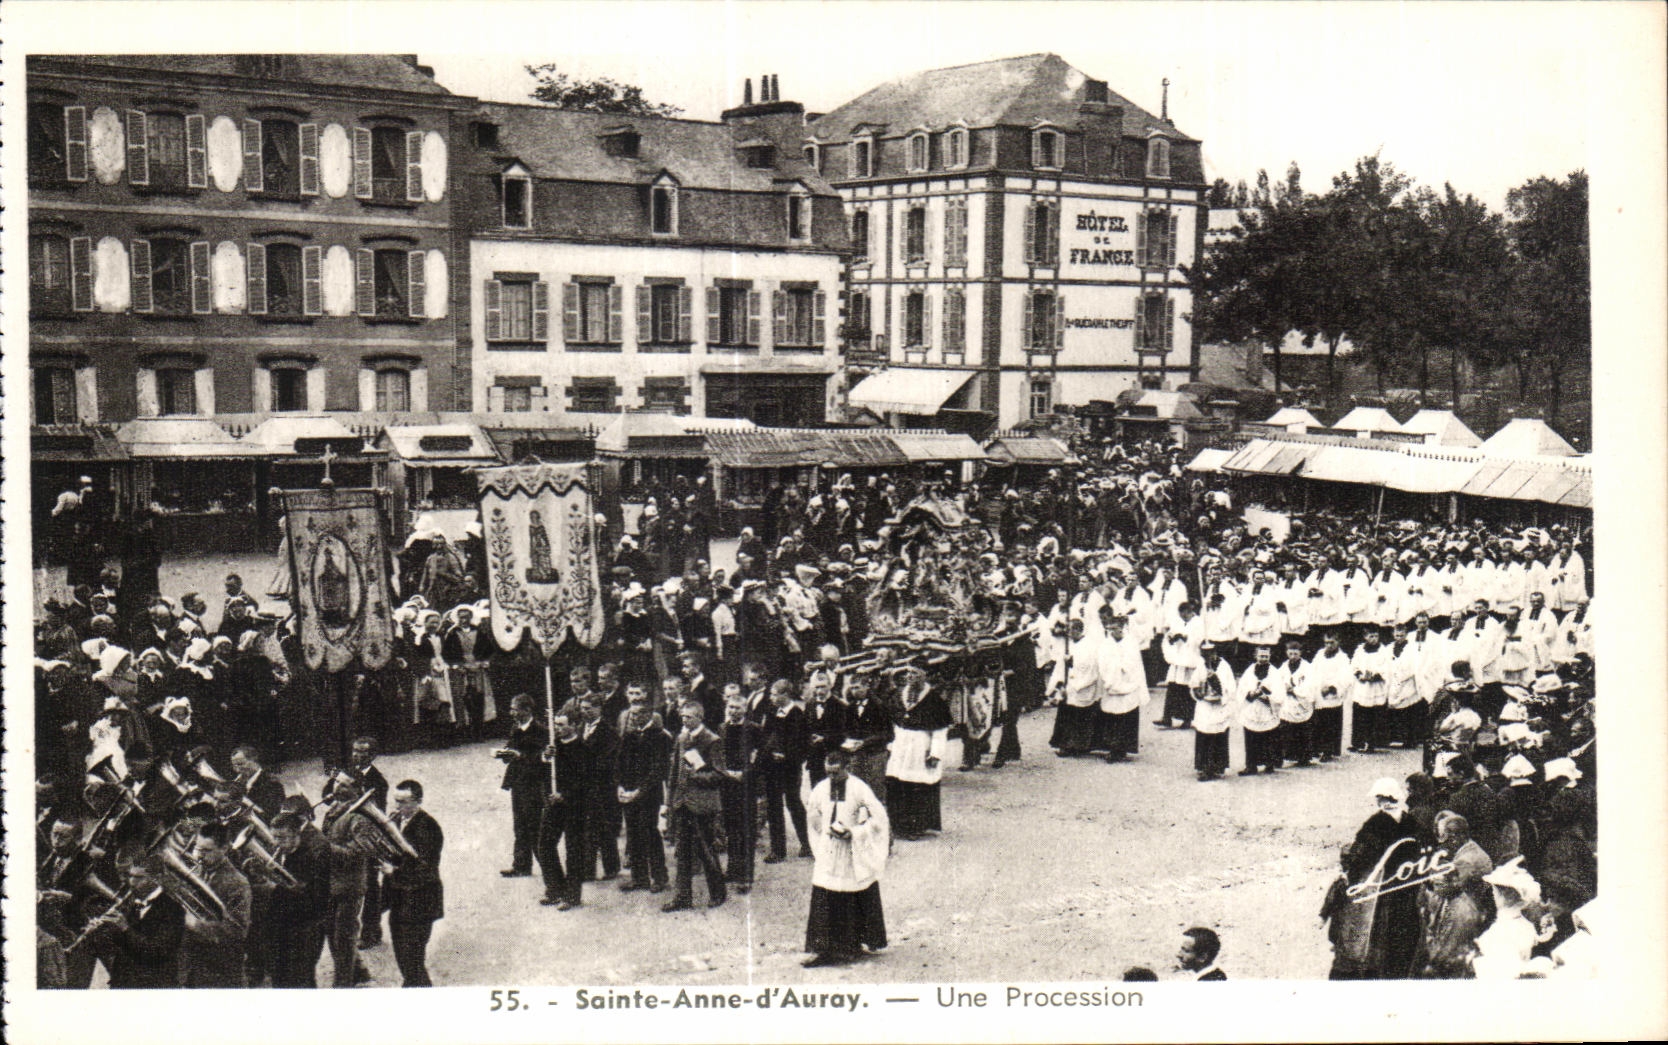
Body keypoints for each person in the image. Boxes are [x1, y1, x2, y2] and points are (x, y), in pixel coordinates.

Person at [1339, 778, 1435, 979]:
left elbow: (1360, 853)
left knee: (1383, 925)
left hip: (1384, 882)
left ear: (1383, 799)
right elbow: (1424, 848)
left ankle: (1382, 969)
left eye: (1378, 797)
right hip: (1409, 880)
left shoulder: (1376, 823)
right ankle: (1406, 965)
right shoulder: (1410, 820)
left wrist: (1350, 872)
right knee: (1407, 921)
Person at [802, 748, 890, 968]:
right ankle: (822, 948)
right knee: (824, 893)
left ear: (847, 768)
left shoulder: (860, 788)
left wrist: (856, 832)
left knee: (852, 893)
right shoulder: (820, 788)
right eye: (828, 773)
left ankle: (851, 946)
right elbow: (812, 815)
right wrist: (823, 834)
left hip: (852, 851)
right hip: (829, 850)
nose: (831, 778)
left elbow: (879, 819)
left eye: (836, 773)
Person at [663, 701, 729, 911]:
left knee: (706, 850)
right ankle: (682, 897)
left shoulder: (712, 740)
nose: (684, 720)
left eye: (689, 717)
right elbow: (674, 773)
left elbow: (719, 774)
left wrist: (696, 776)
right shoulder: (681, 738)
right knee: (682, 852)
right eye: (682, 716)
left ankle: (718, 893)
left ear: (700, 717)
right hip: (683, 804)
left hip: (702, 806)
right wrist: (669, 801)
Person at [384, 780, 444, 987]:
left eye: (403, 802)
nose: (397, 806)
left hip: (420, 902)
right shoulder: (396, 821)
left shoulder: (429, 826)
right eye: (395, 801)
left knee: (412, 958)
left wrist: (394, 871)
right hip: (399, 899)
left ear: (418, 801)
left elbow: (426, 868)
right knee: (403, 955)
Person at [614, 682, 671, 894]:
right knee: (633, 834)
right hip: (628, 794)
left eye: (640, 714)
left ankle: (659, 877)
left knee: (650, 834)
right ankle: (639, 878)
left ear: (649, 715)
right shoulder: (629, 736)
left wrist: (639, 791)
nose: (635, 718)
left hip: (648, 795)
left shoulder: (660, 737)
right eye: (633, 714)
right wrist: (620, 786)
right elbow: (619, 764)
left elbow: (658, 770)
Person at [181, 821, 252, 988]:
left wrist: (195, 924)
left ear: (224, 849)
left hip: (220, 970)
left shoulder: (238, 883)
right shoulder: (197, 872)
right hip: (192, 966)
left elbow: (237, 931)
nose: (199, 856)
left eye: (207, 851)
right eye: (198, 848)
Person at [264, 811, 331, 988]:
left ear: (296, 834)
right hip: (281, 929)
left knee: (301, 980)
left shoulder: (310, 858)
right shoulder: (280, 855)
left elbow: (316, 901)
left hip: (304, 932)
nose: (276, 843)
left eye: (282, 838)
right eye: (274, 837)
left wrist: (274, 888)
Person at [885, 664, 951, 840]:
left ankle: (916, 827)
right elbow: (892, 721)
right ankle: (898, 826)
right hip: (900, 745)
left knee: (917, 787)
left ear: (924, 675)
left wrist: (935, 753)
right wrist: (891, 744)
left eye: (914, 673)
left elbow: (940, 731)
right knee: (896, 784)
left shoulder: (934, 700)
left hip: (920, 747)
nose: (909, 676)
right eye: (908, 672)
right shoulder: (899, 695)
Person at [536, 713, 587, 910]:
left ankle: (572, 895)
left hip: (574, 806)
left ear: (574, 725)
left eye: (561, 724)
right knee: (545, 845)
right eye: (555, 724)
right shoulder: (553, 746)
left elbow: (585, 781)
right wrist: (545, 758)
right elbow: (542, 774)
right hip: (553, 804)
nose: (557, 728)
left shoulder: (582, 749)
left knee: (574, 851)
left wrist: (565, 794)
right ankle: (555, 888)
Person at [495, 694, 548, 878]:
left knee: (534, 825)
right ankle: (521, 865)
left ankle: (547, 865)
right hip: (517, 782)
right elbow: (511, 747)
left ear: (527, 710)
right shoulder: (516, 728)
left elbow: (543, 758)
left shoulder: (540, 730)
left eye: (515, 709)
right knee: (519, 825)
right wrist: (504, 753)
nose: (512, 713)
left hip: (533, 783)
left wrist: (520, 756)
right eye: (512, 709)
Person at [759, 679, 811, 863]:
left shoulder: (798, 715)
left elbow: (804, 745)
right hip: (772, 768)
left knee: (793, 803)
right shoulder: (772, 713)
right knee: (774, 806)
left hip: (790, 769)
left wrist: (788, 756)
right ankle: (778, 850)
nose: (771, 698)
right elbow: (765, 737)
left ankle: (807, 843)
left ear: (786, 695)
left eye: (774, 694)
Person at [718, 687, 759, 893]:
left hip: (746, 785)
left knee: (746, 830)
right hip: (727, 785)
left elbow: (758, 757)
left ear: (745, 709)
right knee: (731, 828)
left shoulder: (753, 729)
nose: (733, 711)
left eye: (737, 707)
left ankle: (746, 875)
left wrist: (745, 773)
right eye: (730, 707)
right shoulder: (722, 728)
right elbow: (718, 756)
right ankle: (733, 869)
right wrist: (725, 772)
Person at [229, 744, 285, 820]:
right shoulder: (239, 783)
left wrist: (245, 801)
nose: (237, 770)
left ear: (254, 760)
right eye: (234, 766)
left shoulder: (271, 782)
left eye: (240, 764)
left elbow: (273, 814)